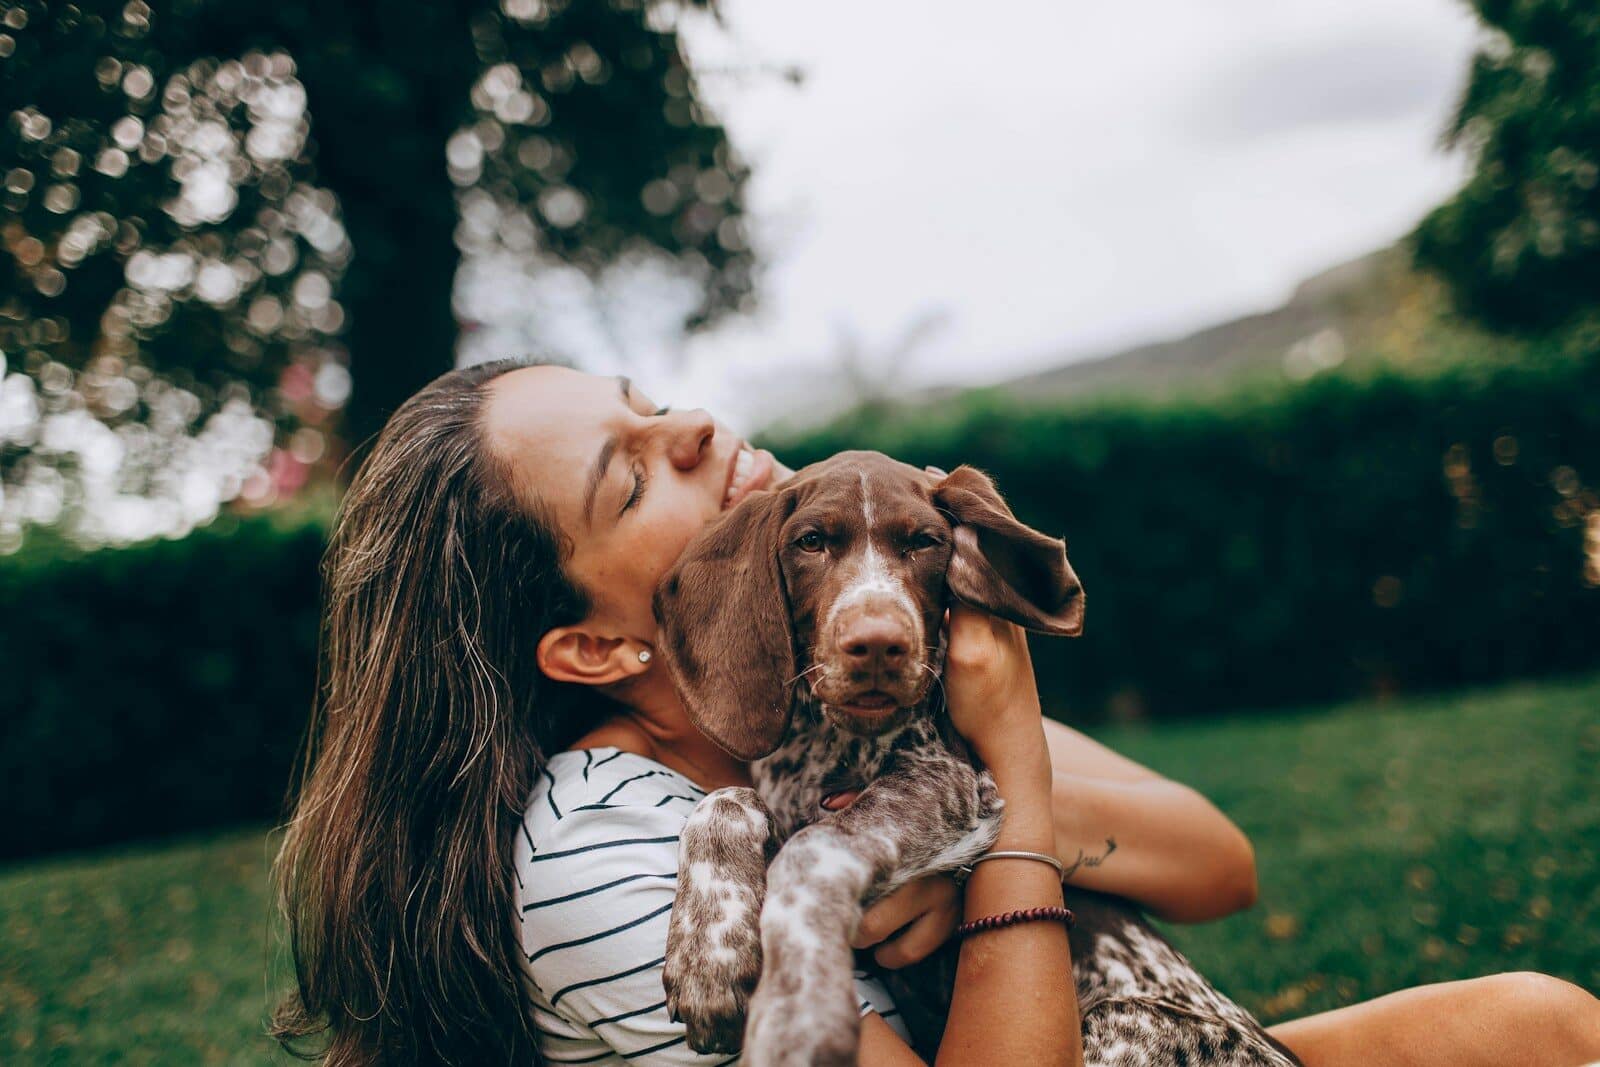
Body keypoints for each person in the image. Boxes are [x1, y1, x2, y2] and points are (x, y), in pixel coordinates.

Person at [273, 359, 1600, 1066]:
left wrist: (958, 835)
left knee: (1541, 1027)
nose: (692, 428)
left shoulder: (870, 667)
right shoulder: (610, 853)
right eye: (631, 475)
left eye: (650, 400)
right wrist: (1009, 779)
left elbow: (1215, 863)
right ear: (596, 642)